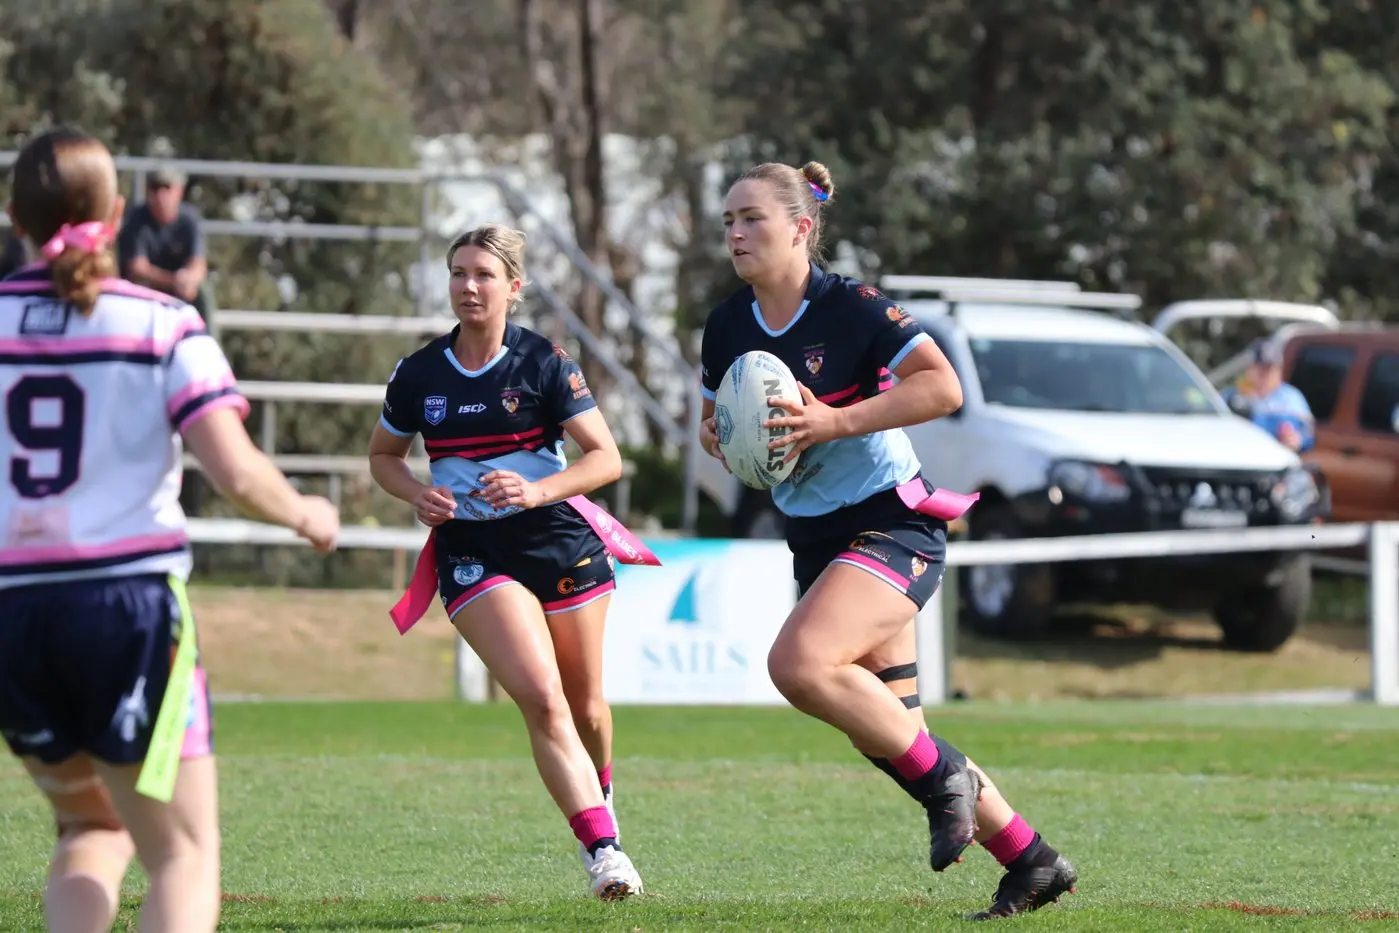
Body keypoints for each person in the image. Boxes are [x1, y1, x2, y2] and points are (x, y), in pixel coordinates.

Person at [699, 160, 1078, 920]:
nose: (735, 233)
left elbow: (941, 387)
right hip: (815, 533)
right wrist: (725, 438)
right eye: (728, 222)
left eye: (751, 218)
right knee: (889, 733)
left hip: (891, 521)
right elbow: (721, 432)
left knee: (800, 664)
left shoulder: (851, 308)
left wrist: (831, 420)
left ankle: (950, 782)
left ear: (800, 228)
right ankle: (1032, 860)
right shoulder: (727, 325)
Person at [0, 126, 341, 933]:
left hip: (14, 614)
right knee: (184, 855)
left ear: (15, 217)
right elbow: (236, 470)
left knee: (90, 829)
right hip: (125, 611)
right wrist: (308, 513)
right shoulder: (163, 324)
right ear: (115, 214)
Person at [369, 223, 652, 901]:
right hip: (471, 550)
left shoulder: (546, 363)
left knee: (585, 707)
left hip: (556, 537)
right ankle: (604, 851)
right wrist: (418, 493)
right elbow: (382, 457)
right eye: (458, 272)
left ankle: (598, 798)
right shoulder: (420, 373)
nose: (468, 286)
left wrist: (537, 488)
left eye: (484, 274)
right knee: (543, 699)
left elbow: (605, 458)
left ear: (513, 287)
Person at [116, 164, 211, 320]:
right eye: (154, 187)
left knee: (203, 293)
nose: (160, 194)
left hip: (180, 291)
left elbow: (199, 264)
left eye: (166, 187)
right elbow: (137, 270)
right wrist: (175, 281)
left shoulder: (189, 219)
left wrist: (190, 279)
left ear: (179, 190)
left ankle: (206, 341)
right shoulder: (135, 219)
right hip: (145, 290)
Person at [1222, 338, 1315, 452]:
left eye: (1269, 369)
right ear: (1248, 370)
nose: (1264, 375)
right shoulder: (1232, 395)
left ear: (1279, 371)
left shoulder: (1292, 398)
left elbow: (1309, 434)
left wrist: (1298, 441)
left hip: (1277, 459)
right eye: (1259, 369)